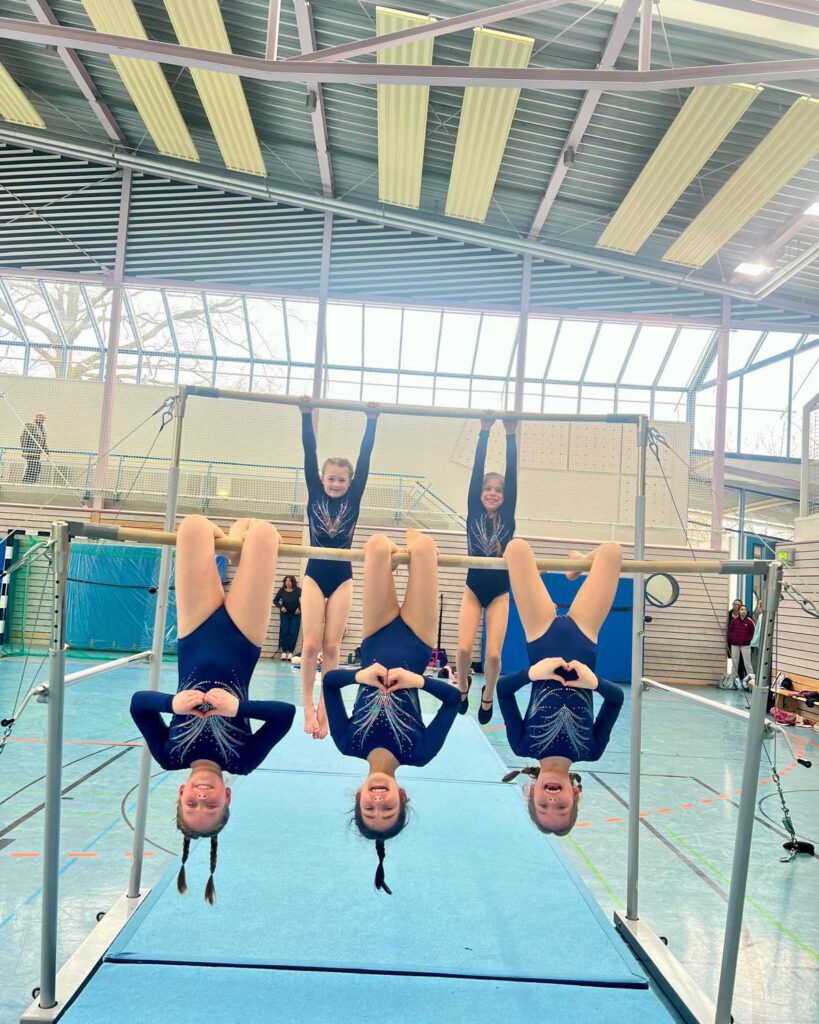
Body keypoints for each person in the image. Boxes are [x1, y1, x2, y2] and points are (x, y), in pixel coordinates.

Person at [129, 516, 296, 903]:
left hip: (194, 631)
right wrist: (238, 707)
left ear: (181, 792)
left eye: (192, 803)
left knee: (192, 528)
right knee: (265, 534)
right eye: (211, 804)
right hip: (244, 637)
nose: (202, 796)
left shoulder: (171, 756)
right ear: (227, 797)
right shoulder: (242, 760)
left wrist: (172, 703)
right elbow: (284, 715)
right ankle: (238, 548)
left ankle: (233, 546)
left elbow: (139, 706)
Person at [323, 531, 460, 894]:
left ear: (359, 796)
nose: (379, 803)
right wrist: (418, 681)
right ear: (403, 798)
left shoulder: (348, 743)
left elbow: (330, 684)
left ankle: (394, 560)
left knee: (377, 546)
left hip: (375, 636)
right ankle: (409, 548)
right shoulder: (420, 753)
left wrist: (360, 675)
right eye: (388, 810)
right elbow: (453, 700)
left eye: (370, 809)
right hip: (418, 639)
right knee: (424, 547)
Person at [496, 539, 625, 836]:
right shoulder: (591, 750)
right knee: (612, 552)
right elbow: (616, 699)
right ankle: (580, 562)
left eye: (543, 806)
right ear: (575, 794)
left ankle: (576, 564)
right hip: (585, 637)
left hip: (540, 636)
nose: (552, 801)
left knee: (516, 549)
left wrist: (533, 673)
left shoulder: (523, 745)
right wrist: (593, 682)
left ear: (532, 792)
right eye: (562, 807)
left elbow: (503, 690)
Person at [299, 401, 379, 740]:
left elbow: (365, 458)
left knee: (332, 647)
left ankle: (326, 706)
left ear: (351, 482)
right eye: (331, 478)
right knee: (311, 644)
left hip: (342, 576)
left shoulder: (354, 496)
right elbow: (309, 451)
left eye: (342, 480)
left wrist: (372, 420)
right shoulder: (315, 490)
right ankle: (307, 705)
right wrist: (305, 414)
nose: (335, 484)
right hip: (314, 575)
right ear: (321, 479)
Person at [457, 417, 518, 724]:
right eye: (487, 489)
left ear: (506, 496)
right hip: (473, 589)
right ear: (479, 493)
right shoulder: (473, 510)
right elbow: (476, 470)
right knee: (463, 649)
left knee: (493, 655)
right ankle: (463, 687)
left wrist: (510, 434)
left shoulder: (508, 513)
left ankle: (488, 694)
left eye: (498, 490)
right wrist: (483, 431)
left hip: (499, 593)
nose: (492, 493)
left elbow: (512, 474)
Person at [274, 574, 302, 661]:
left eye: (289, 581)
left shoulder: (298, 590)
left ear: (293, 582)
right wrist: (281, 607)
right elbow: (275, 601)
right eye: (286, 581)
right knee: (284, 632)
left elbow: (306, 600)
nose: (288, 582)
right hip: (285, 614)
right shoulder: (282, 590)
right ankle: (284, 652)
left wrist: (300, 608)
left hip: (295, 615)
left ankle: (290, 652)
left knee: (293, 633)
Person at [728, 604, 755, 690]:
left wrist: (748, 640)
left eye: (745, 610)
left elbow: (753, 634)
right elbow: (730, 631)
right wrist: (732, 639)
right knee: (734, 663)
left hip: (745, 645)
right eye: (742, 609)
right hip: (735, 644)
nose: (744, 611)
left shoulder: (750, 622)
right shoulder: (734, 621)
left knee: (747, 663)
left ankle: (752, 683)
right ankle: (733, 682)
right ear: (739, 611)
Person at [20, 412, 47, 484]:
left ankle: (32, 482)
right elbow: (24, 438)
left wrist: (47, 453)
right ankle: (27, 483)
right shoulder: (30, 425)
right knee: (32, 467)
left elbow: (43, 442)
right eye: (40, 416)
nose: (42, 419)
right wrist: (24, 451)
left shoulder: (43, 429)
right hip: (31, 451)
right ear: (36, 417)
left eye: (43, 417)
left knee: (37, 468)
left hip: (38, 453)